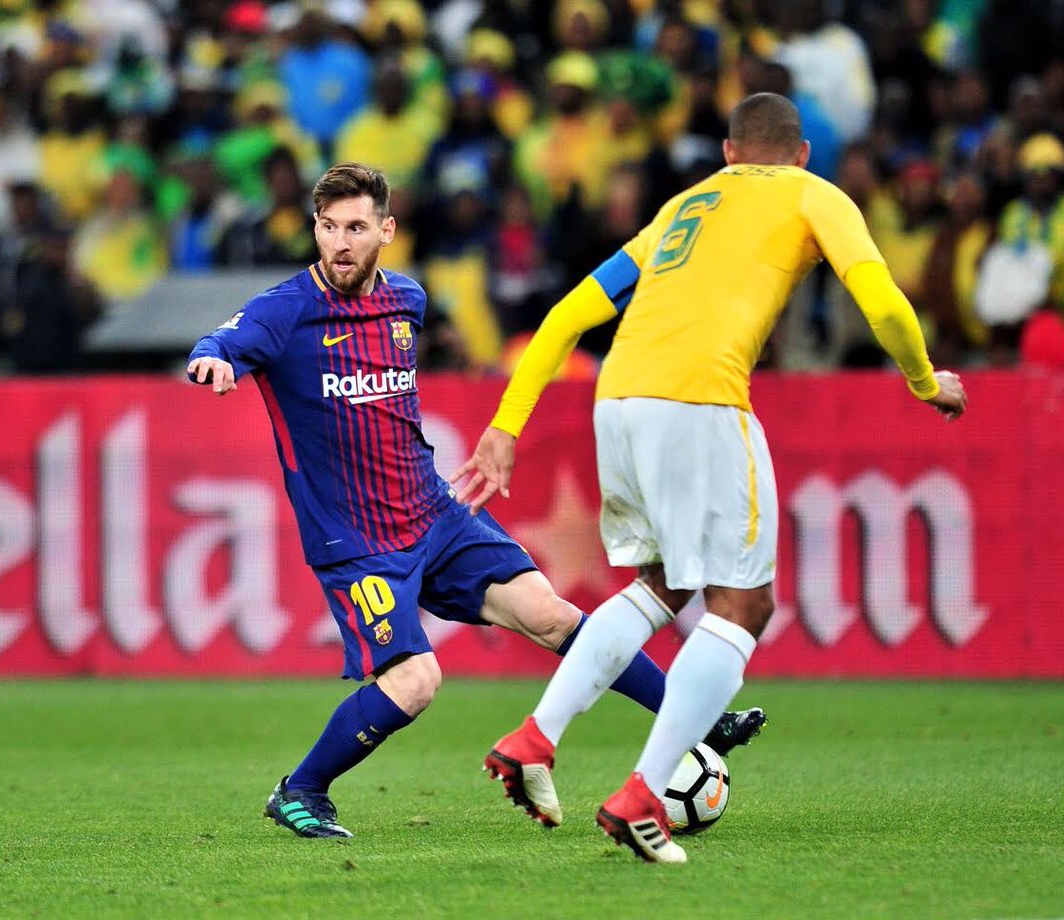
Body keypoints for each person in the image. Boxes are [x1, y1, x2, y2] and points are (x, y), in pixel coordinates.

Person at [454, 94, 968, 864]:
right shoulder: (813, 194)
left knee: (659, 585)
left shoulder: (683, 206)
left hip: (618, 399)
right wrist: (926, 381)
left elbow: (565, 315)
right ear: (799, 154)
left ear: (729, 153)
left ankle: (535, 738)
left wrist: (506, 423)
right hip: (698, 400)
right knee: (744, 600)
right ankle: (643, 794)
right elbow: (883, 301)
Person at [185, 162, 766, 840]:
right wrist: (215, 360)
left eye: (355, 227)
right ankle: (301, 789)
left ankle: (697, 722)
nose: (340, 243)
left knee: (549, 613)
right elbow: (224, 339)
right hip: (358, 539)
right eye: (328, 227)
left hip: (435, 512)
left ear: (386, 229)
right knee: (416, 680)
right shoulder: (287, 309)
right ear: (315, 229)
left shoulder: (406, 299)